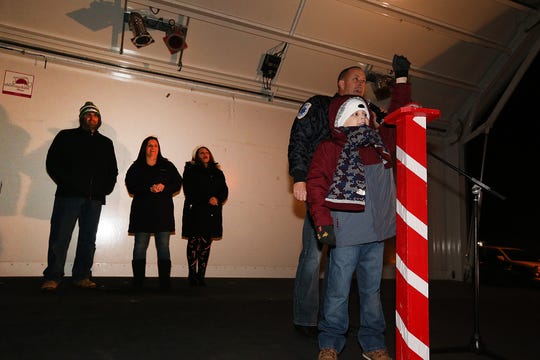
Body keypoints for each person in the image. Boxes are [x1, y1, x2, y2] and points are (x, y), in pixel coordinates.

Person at [287, 55, 412, 340]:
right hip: (322, 190)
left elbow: (393, 128)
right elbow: (300, 138)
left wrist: (401, 83)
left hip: (359, 206)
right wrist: (300, 177)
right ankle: (306, 318)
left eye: (364, 80)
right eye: (355, 78)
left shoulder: (369, 112)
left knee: (341, 267)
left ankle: (334, 321)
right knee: (313, 256)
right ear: (340, 83)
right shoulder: (319, 105)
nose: (361, 83)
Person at [41, 101, 118, 291]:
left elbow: (113, 170)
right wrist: (68, 184)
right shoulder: (66, 136)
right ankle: (53, 277)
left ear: (99, 120)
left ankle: (82, 276)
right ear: (82, 117)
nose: (92, 118)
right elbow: (52, 163)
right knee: (60, 237)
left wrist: (104, 189)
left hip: (94, 199)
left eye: (96, 116)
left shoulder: (106, 143)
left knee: (88, 239)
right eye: (88, 115)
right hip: (68, 196)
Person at [125, 136, 182, 291]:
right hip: (141, 212)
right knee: (139, 245)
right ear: (145, 148)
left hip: (162, 212)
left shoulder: (167, 165)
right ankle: (138, 282)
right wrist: (148, 188)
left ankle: (165, 283)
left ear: (159, 148)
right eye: (149, 145)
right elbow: (130, 185)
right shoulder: (136, 166)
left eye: (155, 145)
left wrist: (164, 187)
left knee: (163, 246)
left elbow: (178, 182)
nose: (152, 148)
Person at [181, 146, 229, 286]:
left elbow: (224, 190)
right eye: (201, 153)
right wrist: (207, 198)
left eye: (207, 152)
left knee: (206, 244)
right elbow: (189, 189)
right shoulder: (190, 169)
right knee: (194, 243)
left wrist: (217, 199)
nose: (205, 154)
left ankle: (201, 275)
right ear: (196, 156)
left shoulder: (218, 172)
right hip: (195, 210)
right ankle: (192, 274)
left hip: (211, 213)